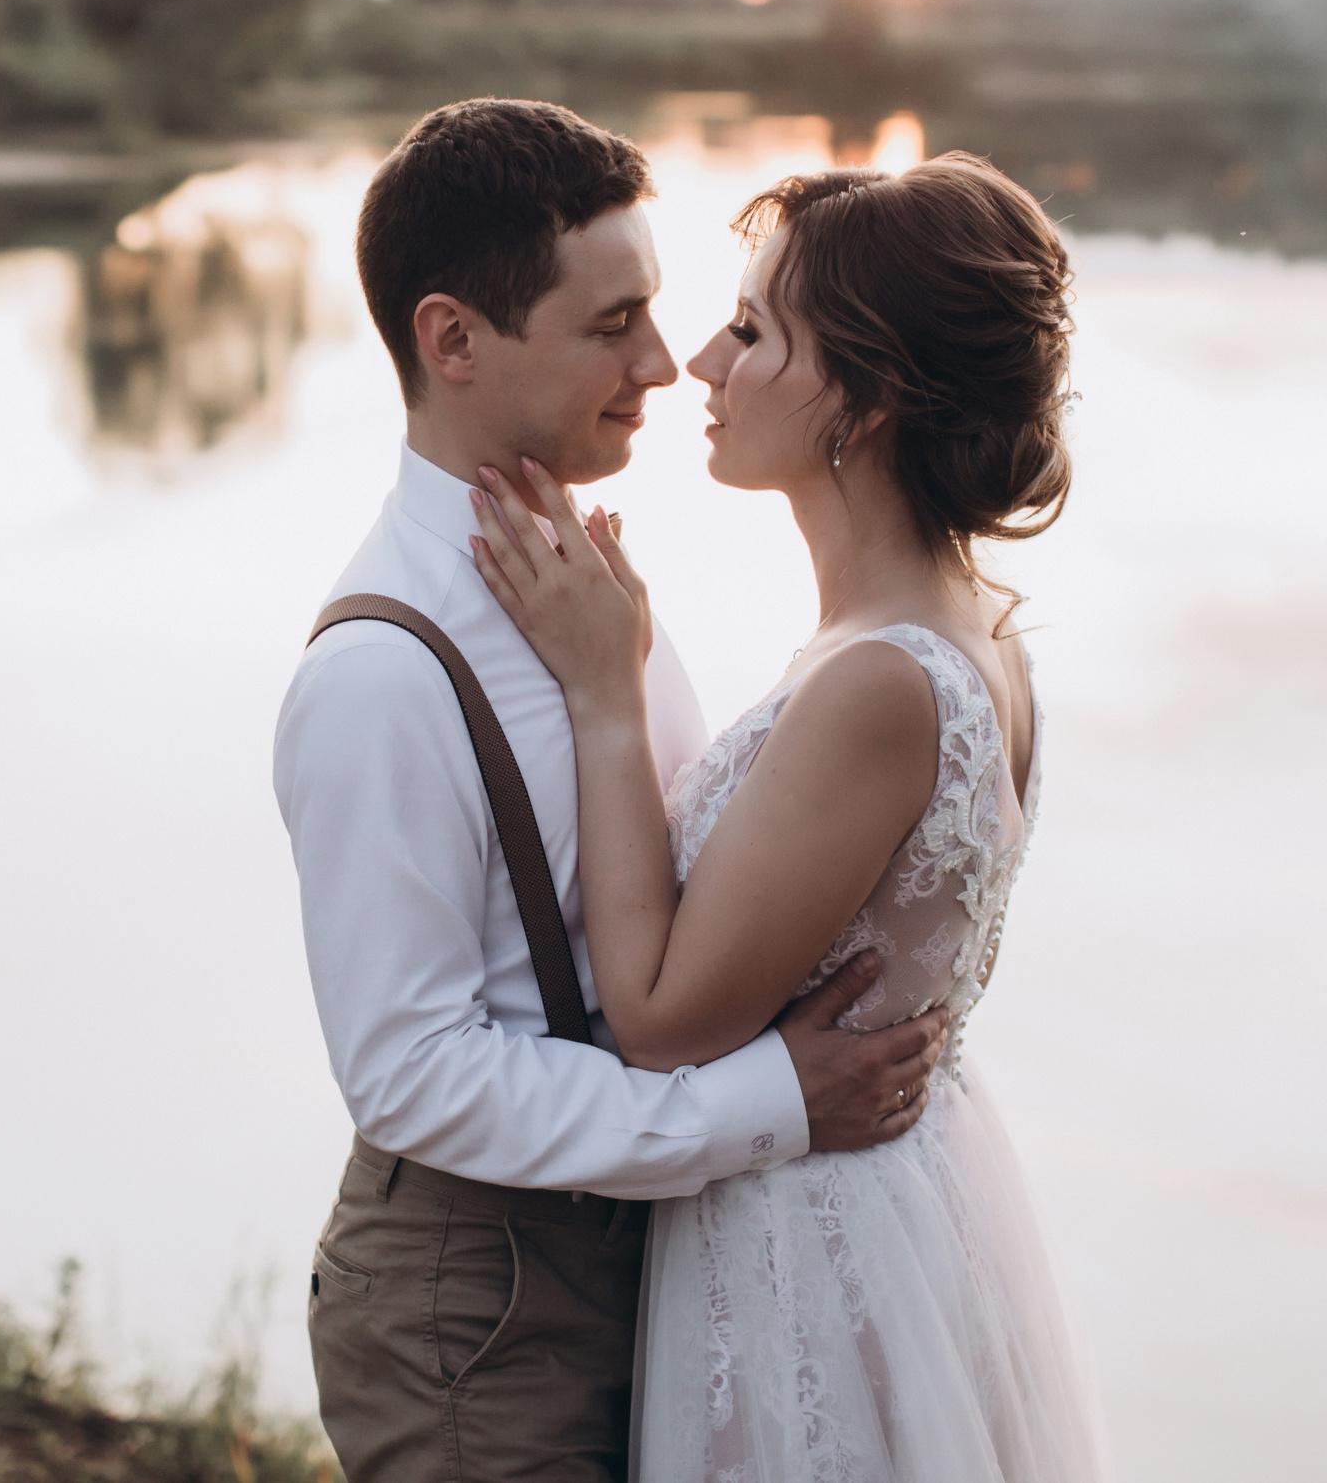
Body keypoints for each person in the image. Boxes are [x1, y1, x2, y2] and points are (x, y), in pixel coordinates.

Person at [273, 98, 952, 1483]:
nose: (662, 361)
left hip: (641, 1260)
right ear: (453, 339)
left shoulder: (589, 588)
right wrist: (769, 1104)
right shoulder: (382, 675)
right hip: (481, 1310)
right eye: (611, 325)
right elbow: (409, 1073)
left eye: (660, 314)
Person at [468, 153, 1102, 1479]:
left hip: (813, 1246)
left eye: (752, 331)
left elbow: (656, 1016)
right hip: (900, 1198)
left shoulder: (880, 681)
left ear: (863, 401)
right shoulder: (971, 634)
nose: (699, 359)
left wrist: (603, 690)